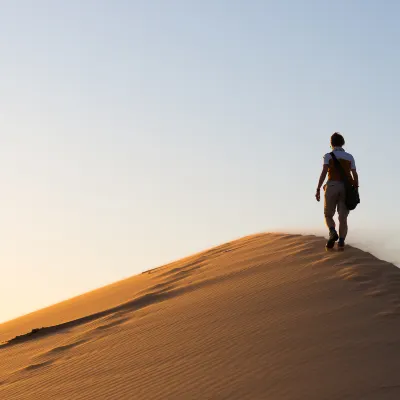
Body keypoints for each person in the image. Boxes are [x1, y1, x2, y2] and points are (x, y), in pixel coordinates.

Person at [315, 132, 359, 250]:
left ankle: (332, 231)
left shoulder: (328, 156)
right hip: (346, 188)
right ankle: (341, 242)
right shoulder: (350, 157)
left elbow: (324, 172)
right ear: (342, 143)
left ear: (331, 143)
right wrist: (356, 188)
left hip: (332, 185)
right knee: (343, 217)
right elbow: (354, 173)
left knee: (328, 215)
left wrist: (318, 187)